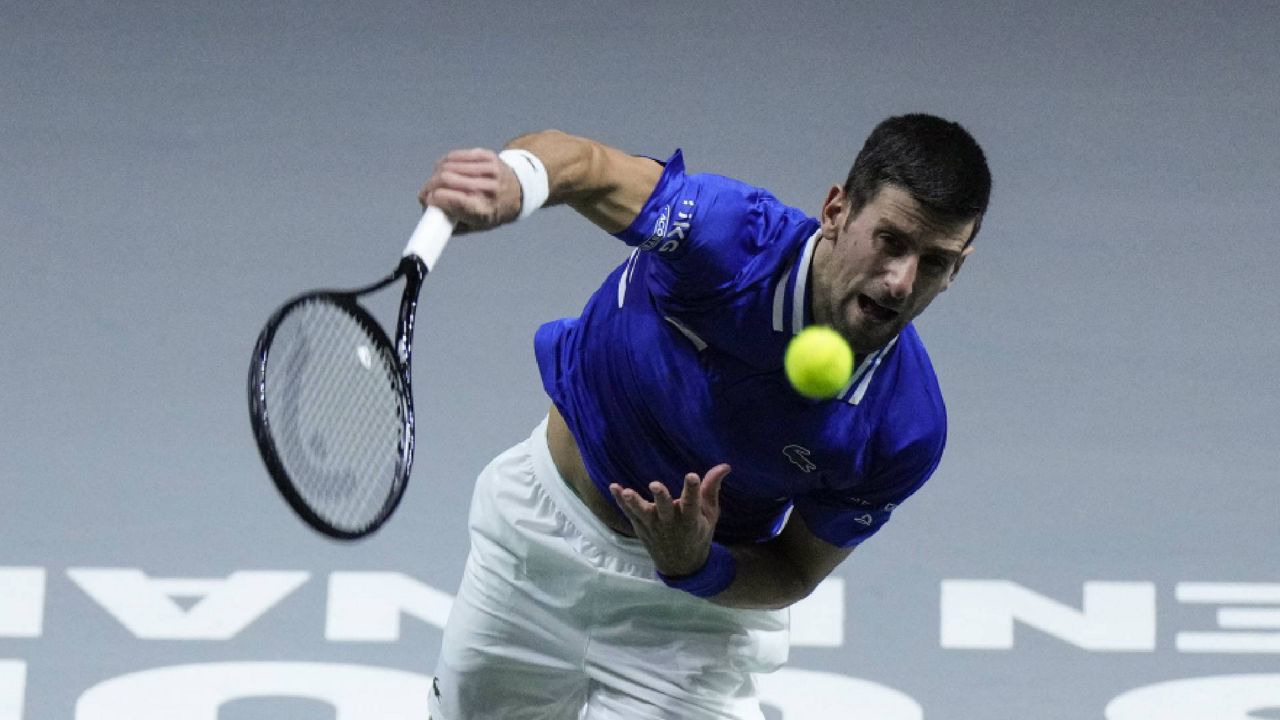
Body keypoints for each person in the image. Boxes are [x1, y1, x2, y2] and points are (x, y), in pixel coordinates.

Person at [419, 114, 991, 720]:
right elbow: (584, 165)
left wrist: (695, 563)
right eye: (891, 241)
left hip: (691, 623)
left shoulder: (903, 427)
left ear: (957, 269)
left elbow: (796, 569)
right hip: (536, 544)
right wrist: (516, 180)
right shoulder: (727, 239)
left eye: (934, 261)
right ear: (836, 211)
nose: (902, 282)